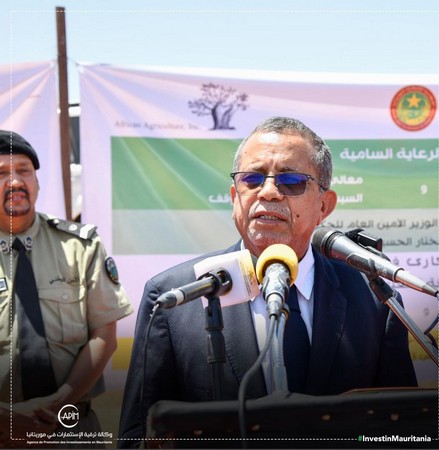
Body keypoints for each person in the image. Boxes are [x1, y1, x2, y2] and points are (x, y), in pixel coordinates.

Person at [118, 117, 417, 448]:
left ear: (324, 205)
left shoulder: (374, 298)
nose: (269, 191)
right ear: (235, 196)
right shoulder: (175, 297)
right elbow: (137, 437)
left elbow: (403, 429)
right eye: (252, 178)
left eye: (291, 181)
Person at [0, 130, 134, 447]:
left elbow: (104, 336)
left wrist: (57, 402)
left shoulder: (79, 246)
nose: (15, 181)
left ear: (37, 181)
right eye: (2, 173)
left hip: (71, 427)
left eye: (24, 170)